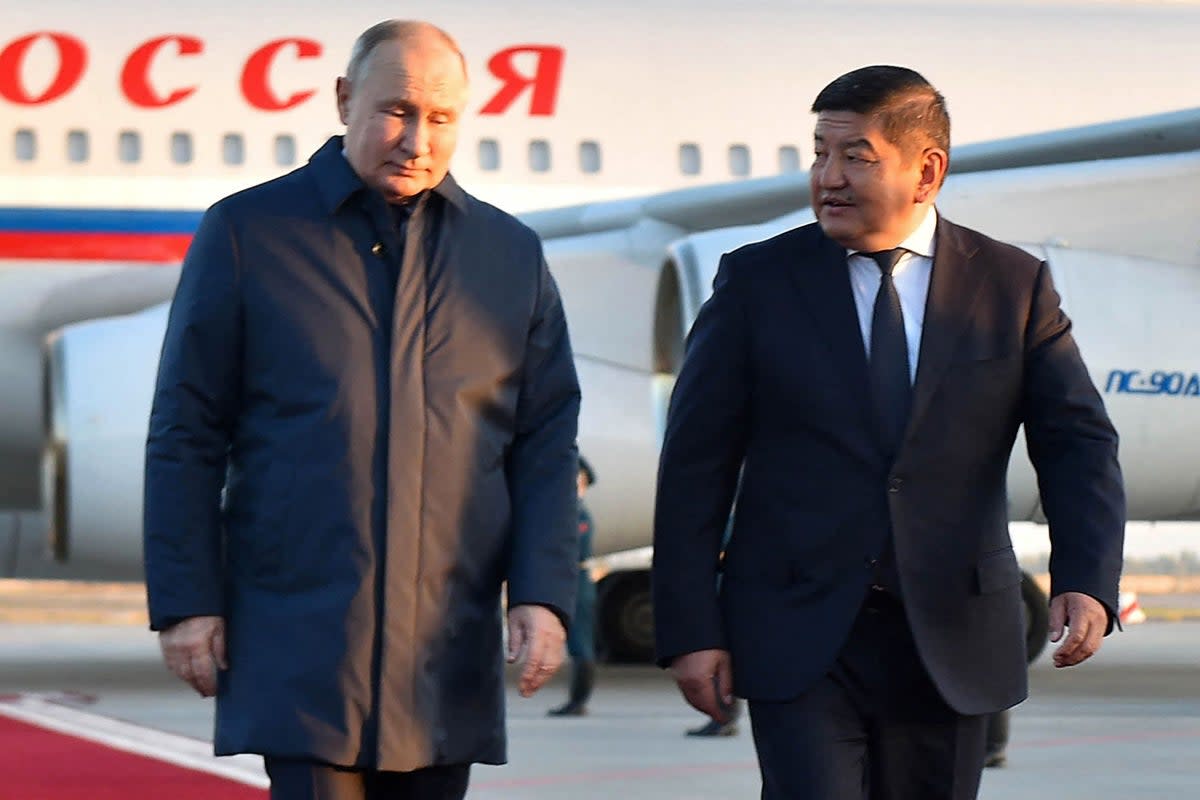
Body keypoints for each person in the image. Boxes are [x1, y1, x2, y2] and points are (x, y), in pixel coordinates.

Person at [651, 65, 1125, 800]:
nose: (827, 178)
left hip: (951, 635)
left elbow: (1077, 442)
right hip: (798, 634)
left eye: (855, 157)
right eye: (819, 153)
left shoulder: (1011, 286)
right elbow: (694, 466)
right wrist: (690, 627)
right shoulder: (756, 284)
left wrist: (1087, 580)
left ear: (927, 171)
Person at [143, 20, 581, 800]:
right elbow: (185, 432)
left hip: (444, 652)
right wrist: (186, 604)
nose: (416, 139)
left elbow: (544, 441)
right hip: (300, 639)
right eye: (396, 111)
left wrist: (544, 594)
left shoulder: (508, 257)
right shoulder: (248, 234)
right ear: (344, 100)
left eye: (441, 119)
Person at [548, 454, 598, 716]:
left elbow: (571, 548)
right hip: (575, 581)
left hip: (577, 582)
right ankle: (576, 700)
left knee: (581, 645)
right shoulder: (572, 510)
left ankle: (579, 701)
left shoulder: (577, 513)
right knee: (577, 644)